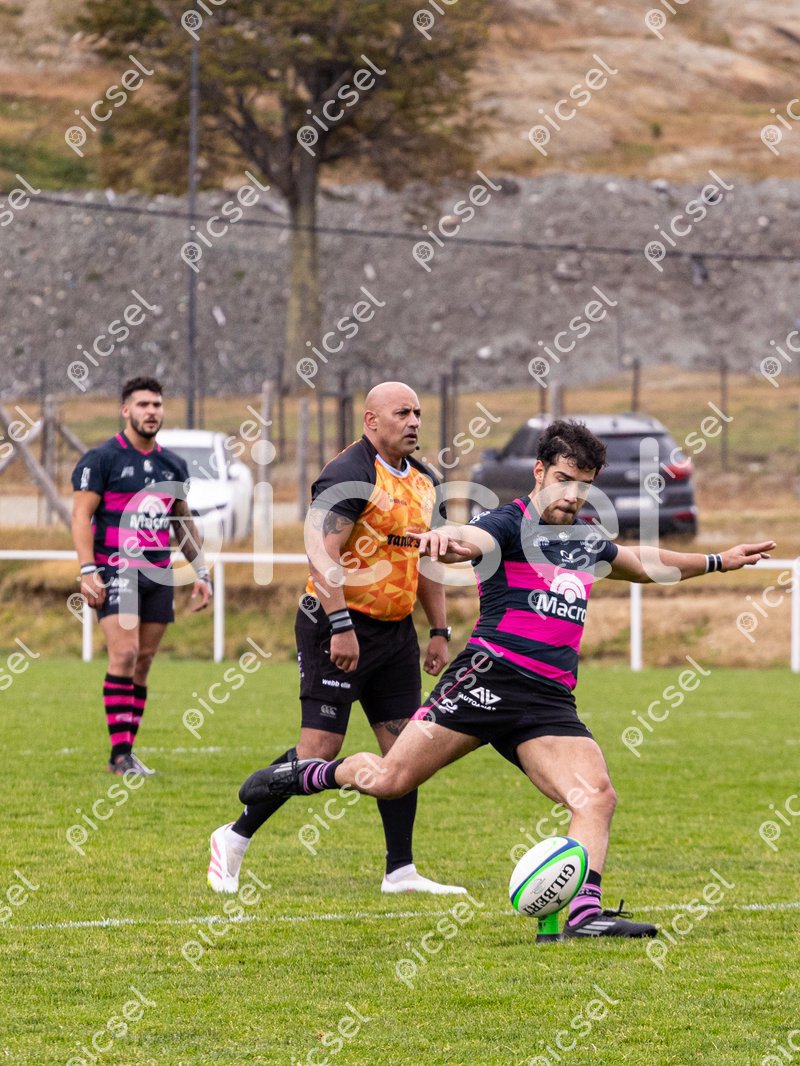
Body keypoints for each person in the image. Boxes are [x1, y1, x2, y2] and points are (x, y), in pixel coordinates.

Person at [239, 418, 776, 938]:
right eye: (563, 479)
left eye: (583, 485)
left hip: (548, 700)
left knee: (596, 796)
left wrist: (717, 560)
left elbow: (641, 563)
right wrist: (447, 541)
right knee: (390, 780)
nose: (571, 494)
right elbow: (470, 538)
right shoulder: (509, 522)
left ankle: (583, 914)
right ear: (539, 472)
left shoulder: (587, 538)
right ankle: (304, 776)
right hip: (487, 679)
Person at [208, 381, 464, 896]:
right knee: (318, 751)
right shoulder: (348, 474)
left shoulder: (424, 481)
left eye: (417, 413)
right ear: (371, 420)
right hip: (335, 623)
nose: (414, 422)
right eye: (402, 413)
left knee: (403, 752)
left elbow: (427, 561)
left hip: (395, 632)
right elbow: (320, 555)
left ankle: (400, 871)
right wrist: (342, 626)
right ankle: (233, 837)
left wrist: (438, 630)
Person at [71, 376, 211, 776]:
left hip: (158, 574)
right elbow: (80, 516)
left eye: (157, 405)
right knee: (125, 653)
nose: (151, 411)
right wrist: (87, 569)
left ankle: (126, 754)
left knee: (144, 661)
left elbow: (182, 522)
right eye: (143, 405)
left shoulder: (173, 465)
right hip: (116, 569)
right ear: (125, 410)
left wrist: (201, 571)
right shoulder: (101, 459)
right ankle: (120, 756)